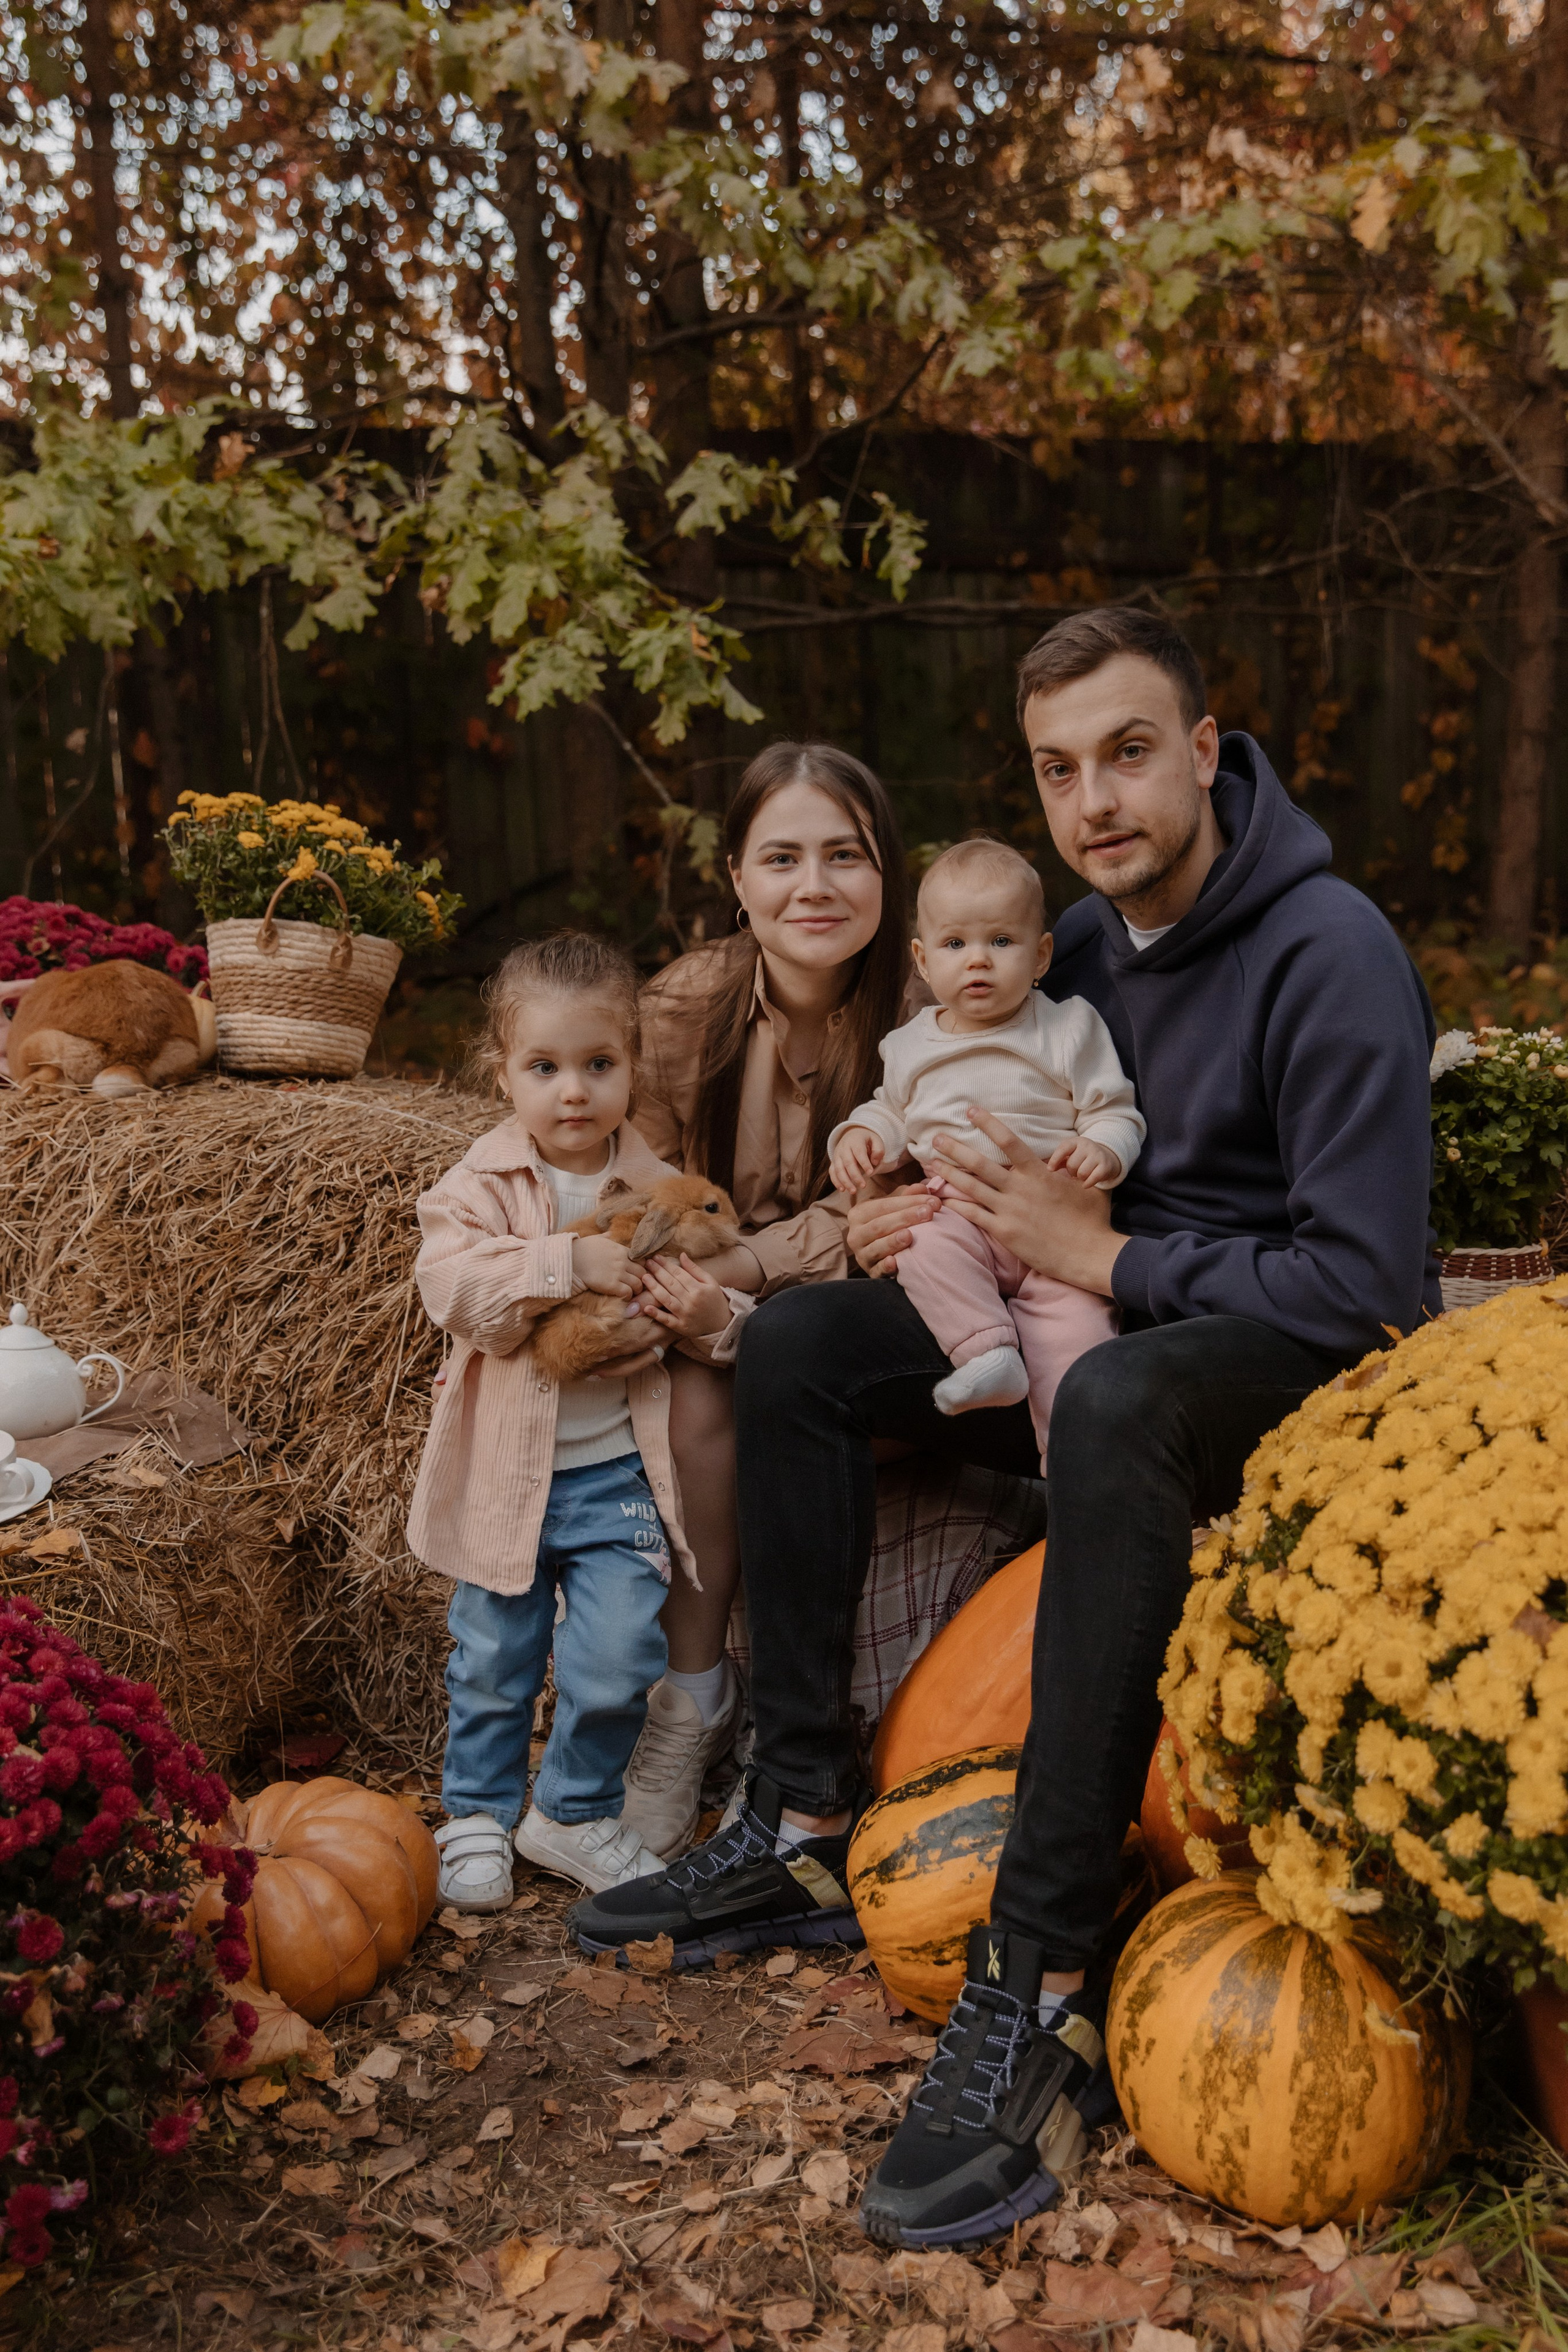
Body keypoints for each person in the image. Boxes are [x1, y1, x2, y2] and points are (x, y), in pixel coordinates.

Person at [568, 606, 1441, 2248]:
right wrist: (905, 1207)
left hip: (1282, 1365)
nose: (1093, 800)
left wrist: (1108, 1258)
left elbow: (1367, 1287)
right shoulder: (1076, 946)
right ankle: (802, 1819)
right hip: (1084, 1315)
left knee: (1112, 1395)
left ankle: (1038, 1974)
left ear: (1204, 750)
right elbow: (987, 1112)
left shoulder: (1327, 952)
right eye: (1056, 768)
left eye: (1128, 752)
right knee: (805, 1342)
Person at [608, 741, 911, 1861]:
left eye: (846, 855)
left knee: (781, 1359)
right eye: (781, 858)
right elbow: (636, 1191)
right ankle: (694, 1699)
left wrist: (742, 1271)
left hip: (859, 1308)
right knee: (696, 1392)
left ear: (887, 872)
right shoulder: (682, 1012)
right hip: (694, 1304)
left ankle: (792, 1740)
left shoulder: (932, 1012)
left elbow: (890, 1217)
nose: (813, 886)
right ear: (737, 877)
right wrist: (695, 1280)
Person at [408, 932, 692, 1912]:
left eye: (598, 1064)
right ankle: (477, 1814)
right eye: (545, 1068)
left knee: (620, 1656)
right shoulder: (478, 1187)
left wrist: (701, 1315)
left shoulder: (655, 1190)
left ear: (632, 1068)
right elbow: (454, 1292)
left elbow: (702, 1296)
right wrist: (564, 1265)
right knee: (495, 1659)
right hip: (506, 1474)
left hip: (617, 1473)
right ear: (503, 1074)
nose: (574, 1091)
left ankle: (570, 1810)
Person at [827, 835, 1144, 1459]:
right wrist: (862, 1136)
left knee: (1077, 1336)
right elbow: (891, 1112)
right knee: (918, 1243)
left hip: (1056, 1223)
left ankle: (1074, 1464)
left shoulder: (1067, 1027)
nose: (978, 961)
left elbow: (1114, 1109)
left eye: (1001, 942)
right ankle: (986, 1353)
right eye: (955, 945)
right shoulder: (910, 1045)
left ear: (1040, 954)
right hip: (956, 1212)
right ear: (922, 960)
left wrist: (1104, 1151)